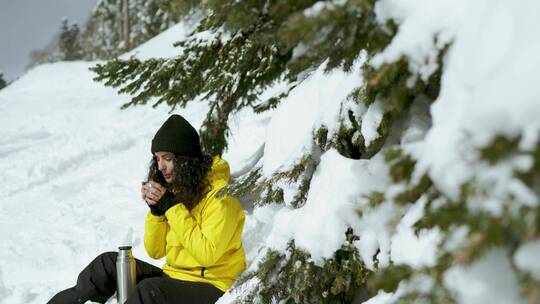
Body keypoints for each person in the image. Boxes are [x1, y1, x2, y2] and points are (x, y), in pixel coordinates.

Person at [48, 114, 246, 304]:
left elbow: (207, 254)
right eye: (157, 159)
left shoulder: (221, 196)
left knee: (149, 292)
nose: (160, 167)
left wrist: (171, 206)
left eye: (167, 158)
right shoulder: (179, 190)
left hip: (212, 286)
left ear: (186, 158)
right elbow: (155, 251)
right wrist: (157, 212)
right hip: (174, 277)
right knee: (109, 264)